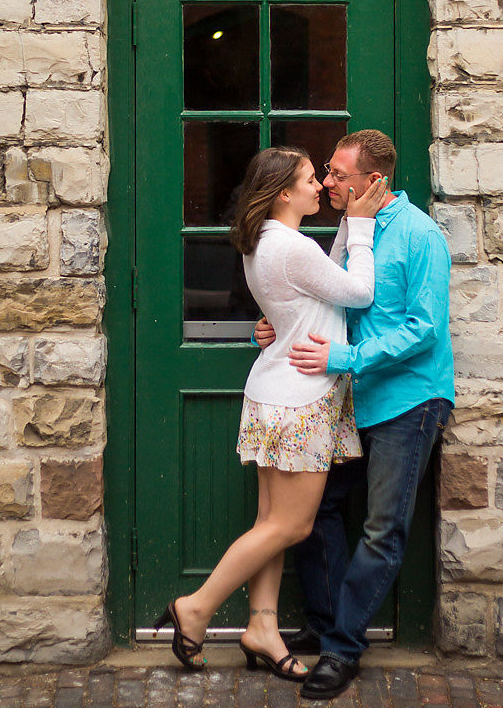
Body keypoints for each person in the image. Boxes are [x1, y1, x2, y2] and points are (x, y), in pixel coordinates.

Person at [155, 145, 390, 679]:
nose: (319, 187)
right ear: (284, 192)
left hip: (276, 391)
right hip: (300, 398)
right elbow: (357, 291)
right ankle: (195, 607)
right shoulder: (290, 246)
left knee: (270, 521)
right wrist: (360, 228)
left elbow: (319, 288)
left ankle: (262, 626)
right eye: (310, 179)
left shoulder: (267, 241)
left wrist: (345, 232)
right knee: (292, 525)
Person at [256, 128, 454, 701]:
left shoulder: (420, 236)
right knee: (315, 513)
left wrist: (344, 356)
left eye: (340, 174)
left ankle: (342, 649)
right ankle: (324, 624)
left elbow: (423, 329)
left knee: (382, 528)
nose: (327, 181)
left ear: (375, 181)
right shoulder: (349, 231)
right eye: (327, 170)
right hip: (346, 400)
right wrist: (271, 331)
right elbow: (325, 303)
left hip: (406, 401)